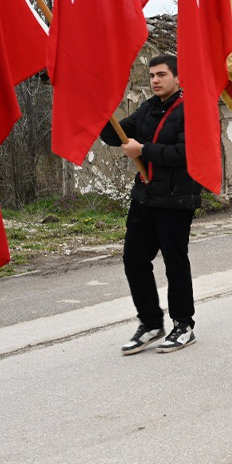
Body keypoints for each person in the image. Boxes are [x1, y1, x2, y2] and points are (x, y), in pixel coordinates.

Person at [97, 56, 202, 354]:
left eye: (162, 75)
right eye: (152, 75)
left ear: (178, 78)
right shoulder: (147, 108)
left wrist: (144, 149)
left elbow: (185, 152)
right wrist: (101, 113)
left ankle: (184, 325)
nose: (155, 80)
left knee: (174, 263)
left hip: (176, 198)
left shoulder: (189, 109)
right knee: (134, 259)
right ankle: (152, 323)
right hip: (145, 197)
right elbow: (115, 135)